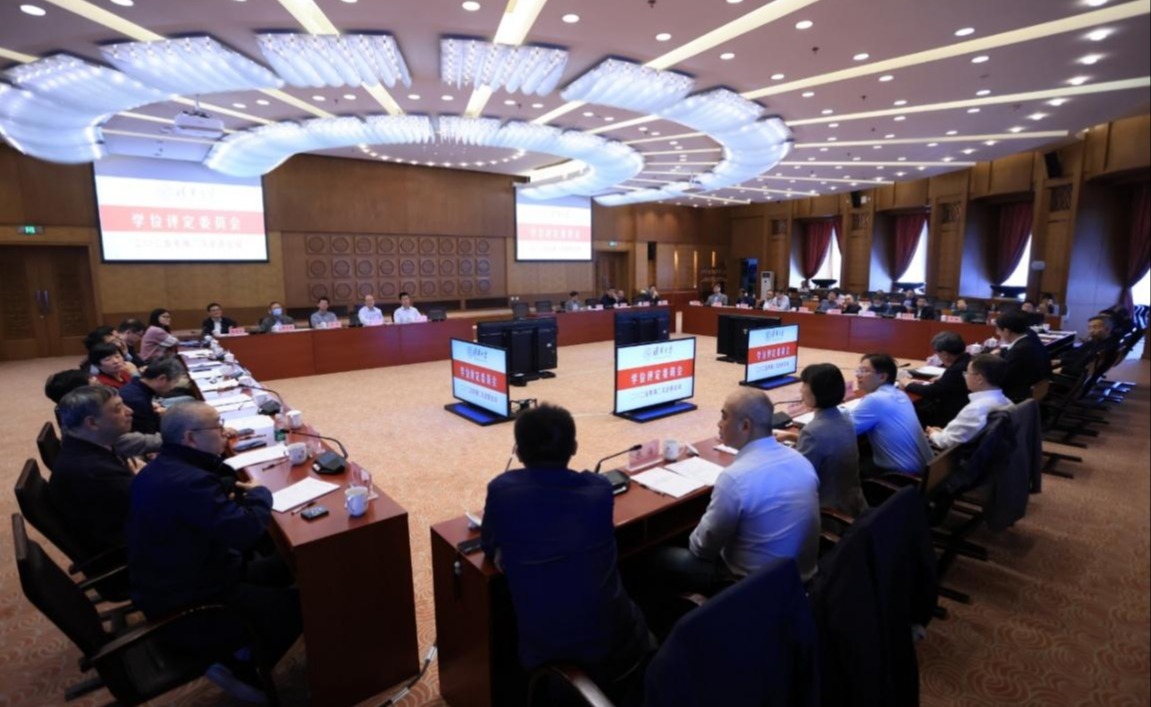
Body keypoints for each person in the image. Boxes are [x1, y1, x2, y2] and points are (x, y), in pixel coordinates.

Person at [128, 402, 301, 703]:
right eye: (217, 428)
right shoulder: (189, 482)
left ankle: (245, 646)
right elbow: (246, 532)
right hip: (194, 599)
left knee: (284, 564)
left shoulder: (164, 465)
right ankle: (242, 668)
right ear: (190, 438)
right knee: (305, 603)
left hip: (183, 574)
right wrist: (260, 493)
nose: (224, 433)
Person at [480, 403, 651, 699]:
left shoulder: (502, 490)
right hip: (620, 641)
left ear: (518, 452)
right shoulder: (599, 489)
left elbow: (488, 543)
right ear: (574, 448)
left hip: (551, 652)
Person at [650, 388, 820, 589]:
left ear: (745, 425)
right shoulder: (801, 461)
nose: (719, 424)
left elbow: (701, 548)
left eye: (724, 416)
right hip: (801, 579)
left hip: (750, 587)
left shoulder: (735, 478)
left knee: (655, 556)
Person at [48, 385, 135, 560]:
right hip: (133, 549)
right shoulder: (94, 472)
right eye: (118, 409)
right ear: (92, 423)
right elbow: (148, 505)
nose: (129, 411)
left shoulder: (85, 445)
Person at [775, 364, 866, 516]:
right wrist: (791, 436)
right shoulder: (845, 418)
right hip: (853, 502)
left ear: (818, 392)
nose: (801, 390)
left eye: (804, 385)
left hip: (827, 511)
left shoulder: (813, 431)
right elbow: (827, 442)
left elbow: (798, 479)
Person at [45, 369, 161, 457]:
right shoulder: (95, 431)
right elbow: (139, 442)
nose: (105, 388)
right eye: (97, 387)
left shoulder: (73, 415)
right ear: (80, 396)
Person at [852, 353, 934, 476]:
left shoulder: (876, 399)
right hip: (926, 470)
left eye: (864, 371)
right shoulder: (900, 394)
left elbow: (844, 430)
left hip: (901, 476)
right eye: (859, 370)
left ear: (882, 377)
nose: (858, 375)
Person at [926, 354, 1014, 450]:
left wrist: (933, 434)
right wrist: (943, 433)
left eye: (967, 373)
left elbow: (946, 442)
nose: (965, 376)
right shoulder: (1007, 402)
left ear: (979, 379)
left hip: (955, 455)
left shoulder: (976, 409)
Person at [900, 331, 972, 427]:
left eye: (937, 353)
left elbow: (932, 391)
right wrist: (945, 378)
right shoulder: (968, 359)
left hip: (952, 416)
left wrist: (908, 384)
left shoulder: (957, 369)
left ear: (945, 354)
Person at [994, 310, 1052, 403]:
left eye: (998, 330)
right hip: (1030, 388)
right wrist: (1001, 352)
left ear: (1007, 331)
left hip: (1017, 397)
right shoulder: (1031, 339)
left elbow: (1003, 380)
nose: (997, 333)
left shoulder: (1019, 351)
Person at [118, 356, 184, 435]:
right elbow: (150, 435)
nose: (174, 387)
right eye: (175, 382)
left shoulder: (134, 384)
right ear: (162, 379)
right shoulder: (138, 402)